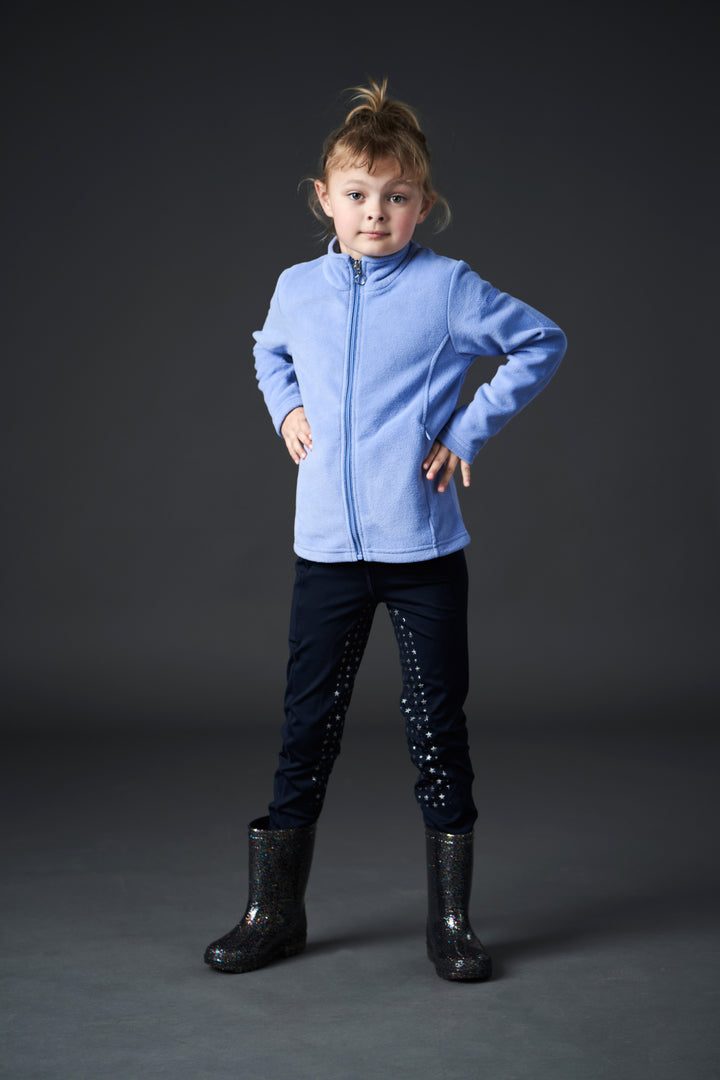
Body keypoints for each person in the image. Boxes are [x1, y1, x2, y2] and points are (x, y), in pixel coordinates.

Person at [204, 78, 567, 981]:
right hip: (326, 552)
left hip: (423, 553)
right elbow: (268, 349)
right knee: (306, 729)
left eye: (397, 197)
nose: (376, 213)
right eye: (358, 194)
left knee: (437, 730)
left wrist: (467, 430)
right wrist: (286, 407)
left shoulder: (446, 289)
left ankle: (451, 920)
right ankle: (273, 912)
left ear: (423, 206)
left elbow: (541, 340)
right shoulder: (298, 288)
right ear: (324, 199)